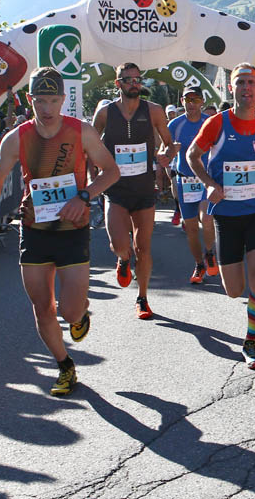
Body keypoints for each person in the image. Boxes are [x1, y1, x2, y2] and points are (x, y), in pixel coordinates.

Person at [0, 67, 119, 396]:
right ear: (30, 100)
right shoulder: (17, 138)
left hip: (73, 229)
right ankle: (65, 365)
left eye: (54, 100)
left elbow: (111, 171)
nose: (48, 108)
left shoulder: (81, 131)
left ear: (64, 100)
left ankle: (79, 315)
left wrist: (84, 196)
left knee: (69, 310)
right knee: (42, 306)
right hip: (35, 230)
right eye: (41, 100)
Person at [187, 63, 255, 369]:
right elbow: (193, 155)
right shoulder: (217, 124)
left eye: (251, 82)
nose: (246, 88)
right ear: (231, 88)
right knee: (234, 290)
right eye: (241, 82)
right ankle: (217, 264)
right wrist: (209, 184)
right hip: (226, 214)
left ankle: (250, 341)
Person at [91, 62, 175, 319]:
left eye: (137, 79)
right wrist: (92, 176)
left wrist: (165, 156)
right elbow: (90, 146)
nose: (134, 84)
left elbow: (171, 145)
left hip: (143, 188)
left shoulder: (155, 111)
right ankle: (123, 259)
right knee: (119, 244)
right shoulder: (105, 113)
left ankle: (143, 298)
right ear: (118, 84)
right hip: (115, 189)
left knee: (144, 247)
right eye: (128, 80)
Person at [167, 88, 219, 284]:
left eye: (196, 99)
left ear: (202, 101)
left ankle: (209, 252)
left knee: (206, 219)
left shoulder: (210, 122)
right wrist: (166, 154)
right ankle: (199, 264)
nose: (191, 103)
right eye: (188, 99)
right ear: (182, 101)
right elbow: (166, 149)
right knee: (190, 229)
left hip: (205, 179)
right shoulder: (175, 124)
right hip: (185, 181)